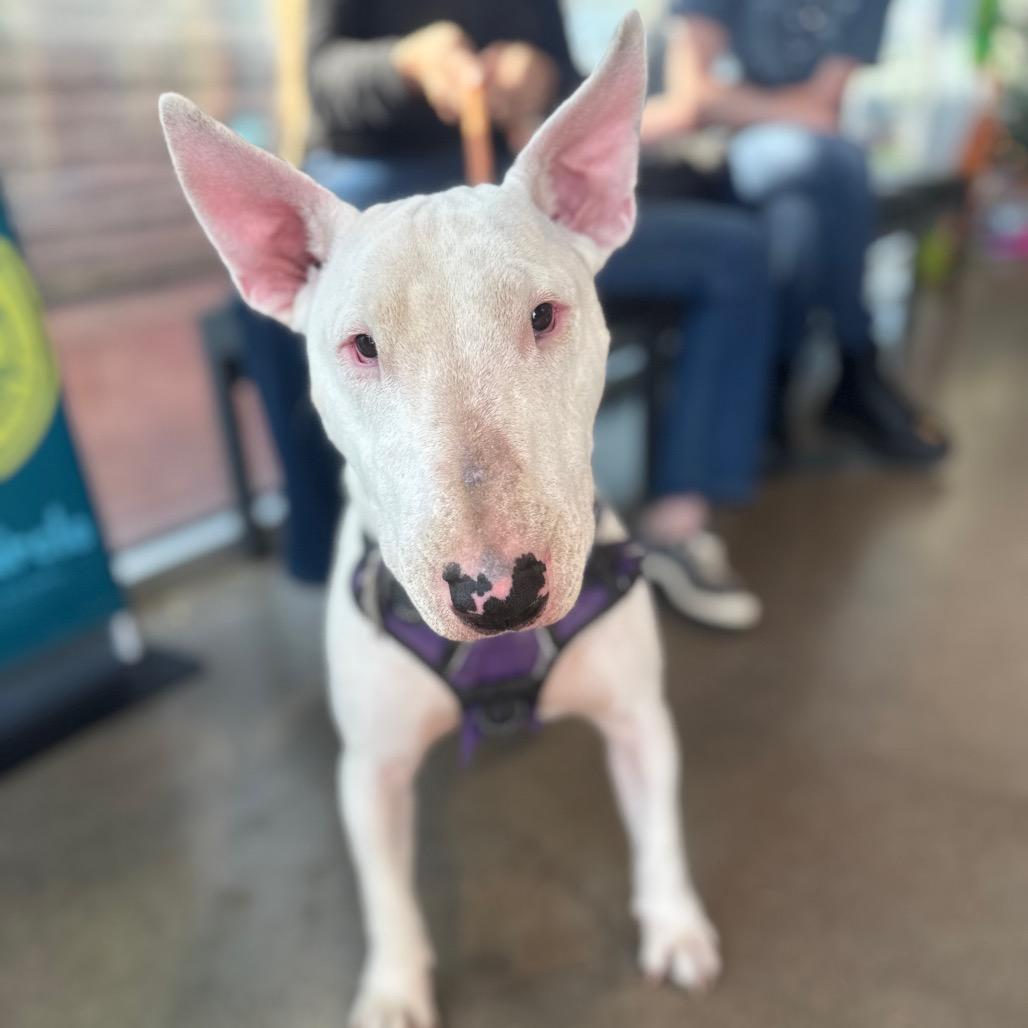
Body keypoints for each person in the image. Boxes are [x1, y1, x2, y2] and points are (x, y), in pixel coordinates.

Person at [246, 0, 778, 630]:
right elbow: (324, 84)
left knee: (736, 253)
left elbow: (564, 71)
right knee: (287, 303)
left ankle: (680, 521)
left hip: (507, 190)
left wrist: (541, 77)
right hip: (376, 184)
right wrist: (407, 64)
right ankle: (334, 560)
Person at [642, 0, 951, 465]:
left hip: (800, 158)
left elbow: (823, 109)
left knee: (798, 218)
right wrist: (778, 109)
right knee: (835, 162)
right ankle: (855, 366)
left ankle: (771, 394)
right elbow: (695, 97)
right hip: (707, 152)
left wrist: (740, 101)